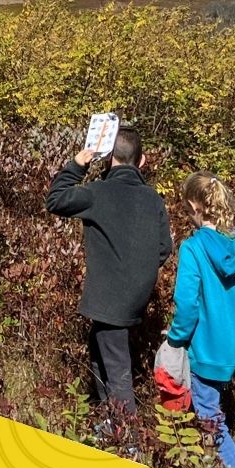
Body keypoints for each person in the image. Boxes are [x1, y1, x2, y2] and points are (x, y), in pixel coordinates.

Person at [46, 127, 173, 419]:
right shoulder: (153, 199)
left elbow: (55, 200)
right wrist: (138, 271)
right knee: (98, 346)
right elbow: (164, 247)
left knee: (117, 367)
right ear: (142, 161)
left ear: (107, 158)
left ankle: (127, 438)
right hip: (136, 293)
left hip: (109, 295)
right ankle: (109, 420)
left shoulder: (97, 192)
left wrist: (78, 164)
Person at [166, 172, 235, 468]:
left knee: (207, 414)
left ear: (194, 206)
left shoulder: (192, 249)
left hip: (202, 348)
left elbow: (187, 303)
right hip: (230, 348)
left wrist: (176, 339)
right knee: (208, 407)